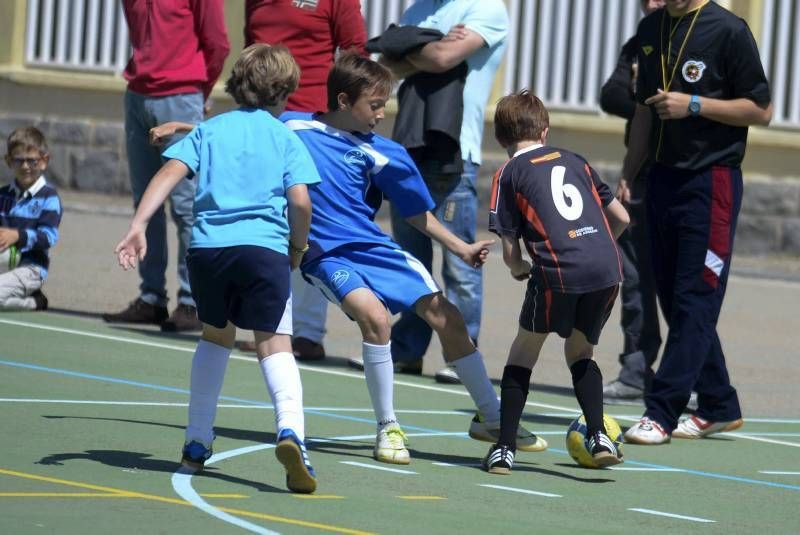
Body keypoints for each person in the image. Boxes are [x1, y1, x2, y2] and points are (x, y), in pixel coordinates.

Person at [284, 53, 542, 465]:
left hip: (375, 249)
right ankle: (388, 427)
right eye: (374, 105)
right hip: (326, 254)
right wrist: (184, 132)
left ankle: (491, 418)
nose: (382, 114)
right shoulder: (292, 127)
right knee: (376, 318)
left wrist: (460, 246)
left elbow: (416, 212)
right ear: (344, 100)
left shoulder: (385, 153)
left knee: (449, 318)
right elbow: (238, 134)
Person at [114, 44, 320, 493]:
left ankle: (196, 439)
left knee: (215, 337)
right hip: (263, 250)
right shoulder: (286, 136)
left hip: (208, 251)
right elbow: (300, 200)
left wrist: (139, 225)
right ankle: (291, 433)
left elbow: (168, 173)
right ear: (285, 92)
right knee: (274, 343)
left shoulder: (211, 129)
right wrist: (298, 246)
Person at [620, 0, 772, 445]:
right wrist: (629, 173)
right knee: (673, 296)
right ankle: (719, 403)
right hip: (663, 179)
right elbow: (645, 111)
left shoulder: (728, 30)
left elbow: (760, 110)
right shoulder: (650, 32)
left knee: (696, 298)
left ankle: (661, 412)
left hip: (713, 182)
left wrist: (695, 105)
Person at [481, 90, 629, 474]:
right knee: (580, 353)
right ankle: (599, 437)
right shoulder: (576, 160)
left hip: (559, 271)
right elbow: (623, 218)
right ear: (544, 131)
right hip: (607, 268)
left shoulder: (508, 173)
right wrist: (593, 246)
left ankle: (504, 448)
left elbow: (511, 250)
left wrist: (517, 270)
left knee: (523, 352)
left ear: (500, 138)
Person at [376, 0, 509, 384]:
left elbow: (443, 59)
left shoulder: (486, 8)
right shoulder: (418, 9)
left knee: (459, 262)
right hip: (410, 148)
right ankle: (407, 350)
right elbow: (387, 65)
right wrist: (430, 49)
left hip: (456, 153)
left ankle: (462, 354)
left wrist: (411, 48)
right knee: (409, 260)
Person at [239, 0, 368, 360]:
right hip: (259, 119)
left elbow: (356, 53)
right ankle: (270, 323)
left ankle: (308, 332)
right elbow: (252, 47)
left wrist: (345, 116)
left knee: (307, 224)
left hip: (311, 121)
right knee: (263, 220)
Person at [103, 0, 230, 332]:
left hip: (181, 96)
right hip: (138, 95)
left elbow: (217, 41)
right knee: (146, 201)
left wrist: (199, 92)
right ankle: (151, 299)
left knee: (187, 205)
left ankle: (192, 301)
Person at [599, 0, 665, 402]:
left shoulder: (708, 38)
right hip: (638, 175)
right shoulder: (640, 41)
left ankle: (689, 378)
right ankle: (636, 370)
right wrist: (650, 98)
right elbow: (611, 95)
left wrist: (649, 95)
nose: (654, 3)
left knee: (684, 285)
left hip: (685, 177)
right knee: (635, 278)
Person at [0, 127, 61, 311]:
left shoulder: (49, 198)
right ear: (9, 161)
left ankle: (34, 302)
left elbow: (49, 237)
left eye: (32, 161)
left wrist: (18, 236)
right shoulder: (3, 195)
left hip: (31, 268)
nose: (25, 166)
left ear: (44, 161)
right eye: (19, 160)